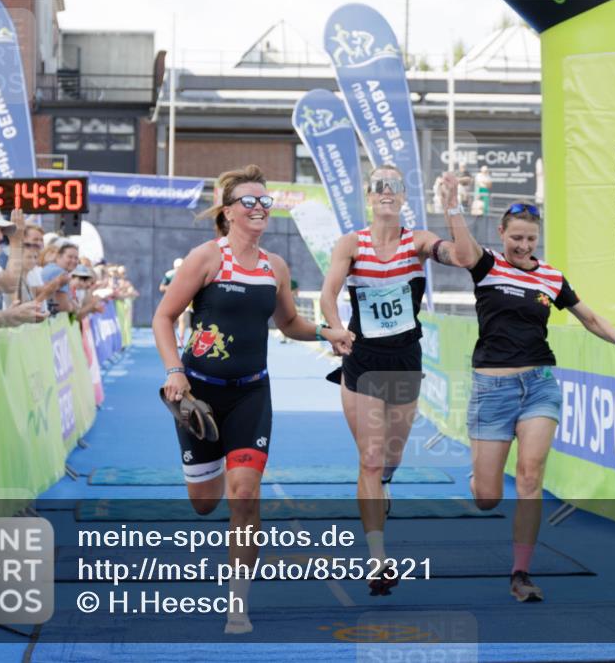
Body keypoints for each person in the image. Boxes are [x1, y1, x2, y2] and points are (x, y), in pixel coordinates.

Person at [153, 164, 354, 634]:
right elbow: (163, 318)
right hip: (197, 395)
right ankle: (214, 459)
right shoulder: (205, 258)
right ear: (229, 212)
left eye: (266, 201)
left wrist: (329, 332)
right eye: (251, 201)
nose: (261, 207)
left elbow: (288, 325)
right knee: (205, 503)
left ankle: (236, 604)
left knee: (244, 494)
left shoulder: (275, 267)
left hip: (251, 394)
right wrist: (174, 371)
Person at [435, 172, 615, 602]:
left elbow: (588, 316)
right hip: (492, 390)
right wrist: (452, 205)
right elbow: (461, 247)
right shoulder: (486, 264)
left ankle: (521, 573)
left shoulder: (550, 277)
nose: (524, 246)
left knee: (530, 476)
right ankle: (479, 477)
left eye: (531, 239)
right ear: (501, 233)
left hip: (539, 384)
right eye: (516, 238)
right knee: (488, 498)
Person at [319, 164, 472, 596]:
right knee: (368, 458)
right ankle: (378, 560)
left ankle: (384, 484)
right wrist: (335, 328)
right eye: (379, 186)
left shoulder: (418, 242)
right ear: (369, 195)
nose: (387, 192)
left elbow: (462, 257)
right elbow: (330, 291)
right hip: (362, 359)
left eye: (395, 186)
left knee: (390, 458)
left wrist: (453, 208)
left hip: (404, 360)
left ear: (404, 196)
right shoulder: (352, 244)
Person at [41, 242, 80, 314]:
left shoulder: (49, 268)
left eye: (76, 258)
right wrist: (75, 306)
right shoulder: (59, 272)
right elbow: (62, 306)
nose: (74, 261)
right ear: (59, 256)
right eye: (70, 257)